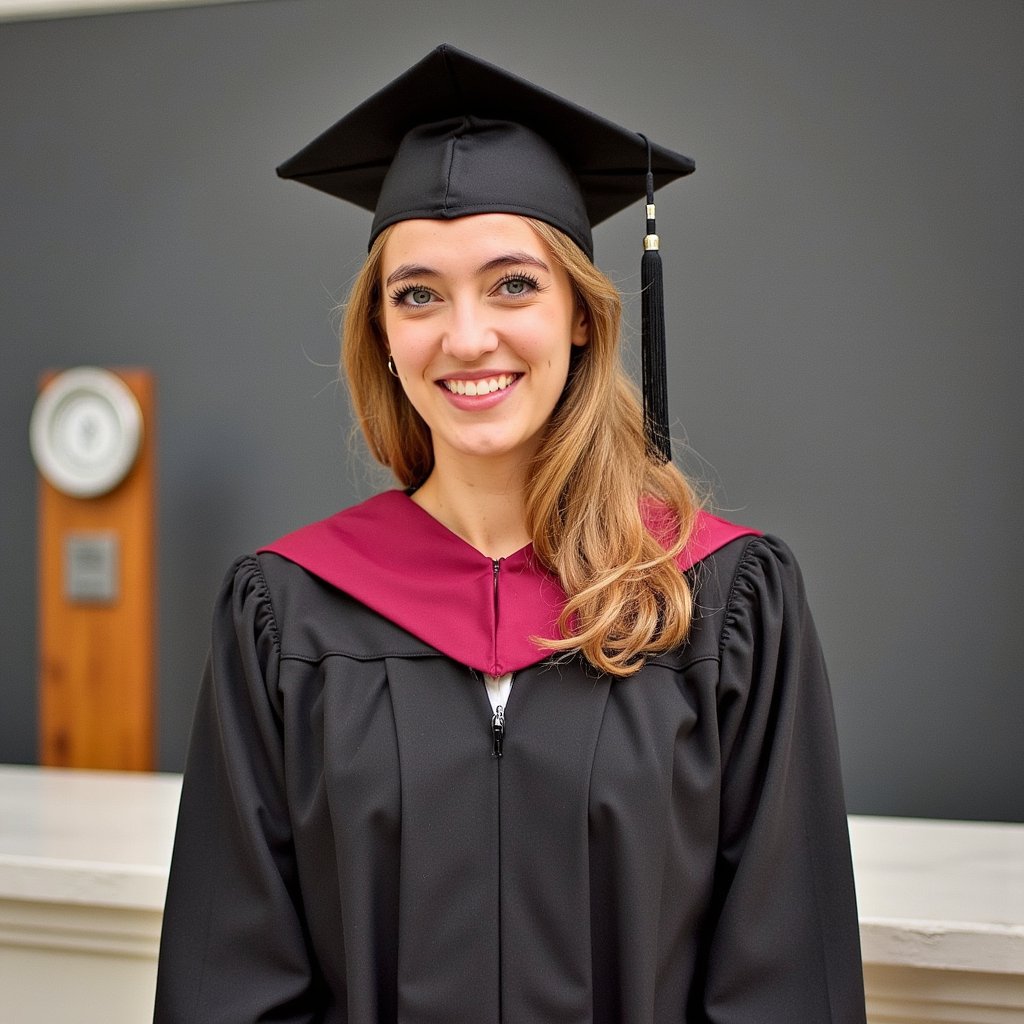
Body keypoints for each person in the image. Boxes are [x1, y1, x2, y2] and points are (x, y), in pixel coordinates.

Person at [154, 44, 866, 1023]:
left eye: (512, 284)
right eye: (417, 294)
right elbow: (229, 980)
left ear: (580, 312)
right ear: (381, 335)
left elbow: (786, 976)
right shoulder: (288, 615)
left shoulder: (718, 601)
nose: (465, 336)